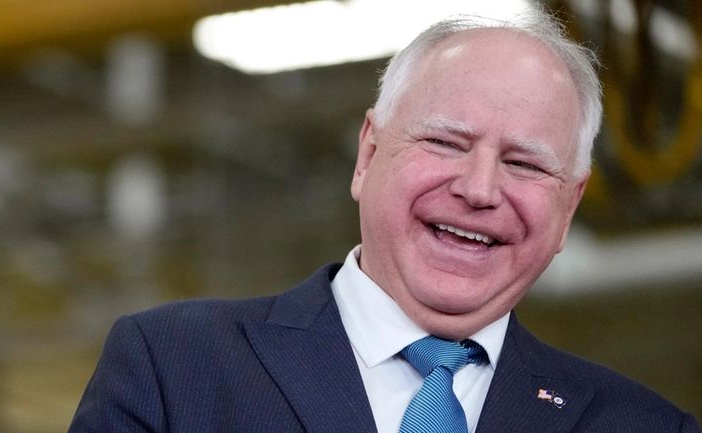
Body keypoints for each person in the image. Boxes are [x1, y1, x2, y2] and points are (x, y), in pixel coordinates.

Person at [68, 7, 700, 433]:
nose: (480, 189)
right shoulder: (175, 367)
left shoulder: (645, 425)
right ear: (368, 154)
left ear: (569, 209)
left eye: (525, 164)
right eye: (447, 143)